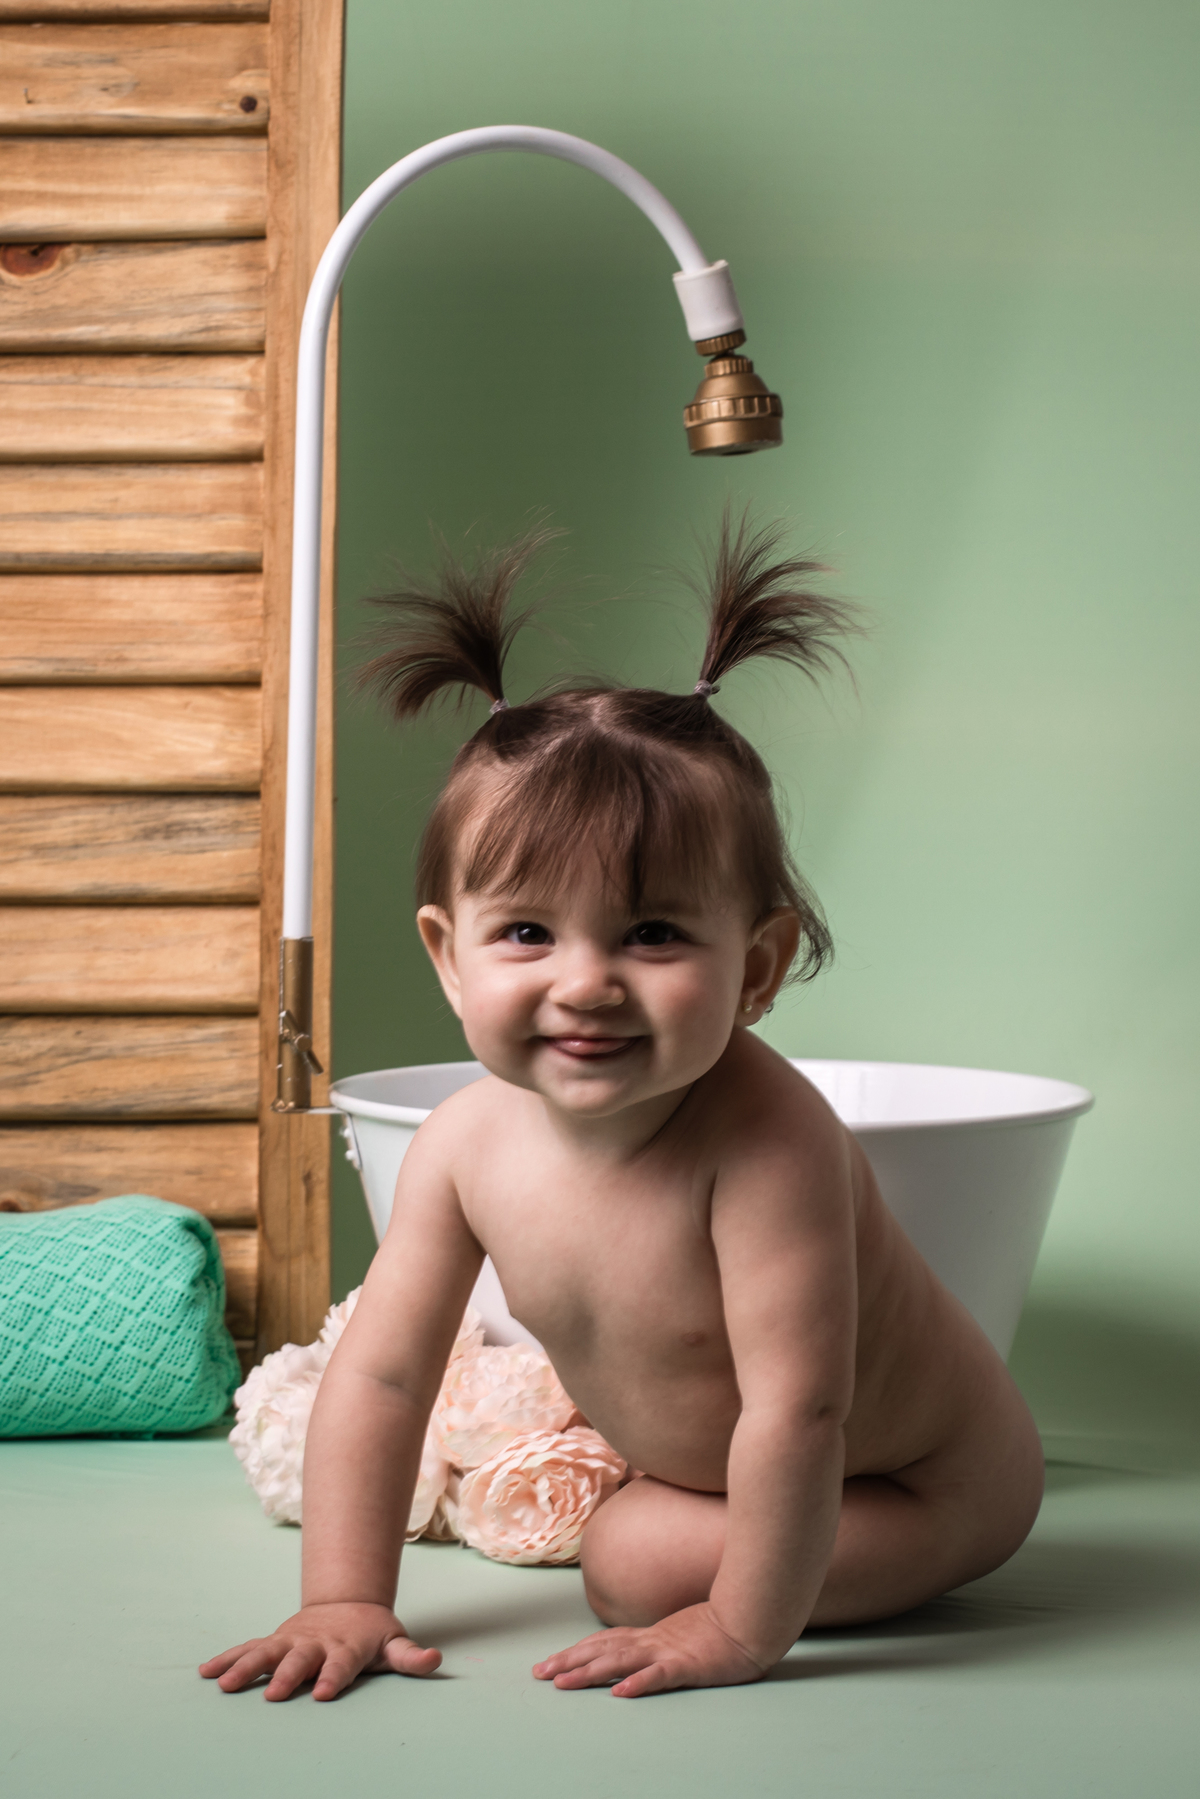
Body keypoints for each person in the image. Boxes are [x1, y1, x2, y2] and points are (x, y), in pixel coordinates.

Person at [201, 516, 1043, 1702]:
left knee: (628, 1555)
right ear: (450, 957)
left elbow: (801, 1409)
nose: (585, 980)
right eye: (528, 932)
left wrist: (740, 1630)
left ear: (757, 967)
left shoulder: (767, 1144)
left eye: (653, 932)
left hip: (915, 1484)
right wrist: (345, 1592)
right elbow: (385, 1378)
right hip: (734, 1471)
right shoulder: (463, 1145)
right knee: (627, 1522)